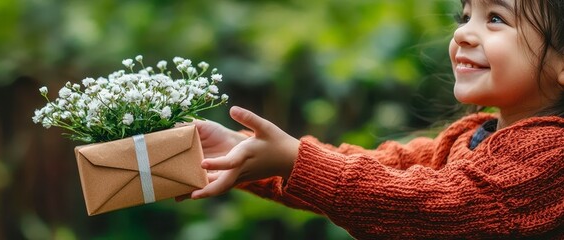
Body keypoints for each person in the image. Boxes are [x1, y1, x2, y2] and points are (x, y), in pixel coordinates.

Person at [186, 0, 564, 238]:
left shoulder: (553, 154)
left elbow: (433, 208)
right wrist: (242, 150)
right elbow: (376, 172)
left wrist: (293, 161)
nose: (463, 32)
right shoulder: (470, 134)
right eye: (466, 15)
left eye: (495, 18)